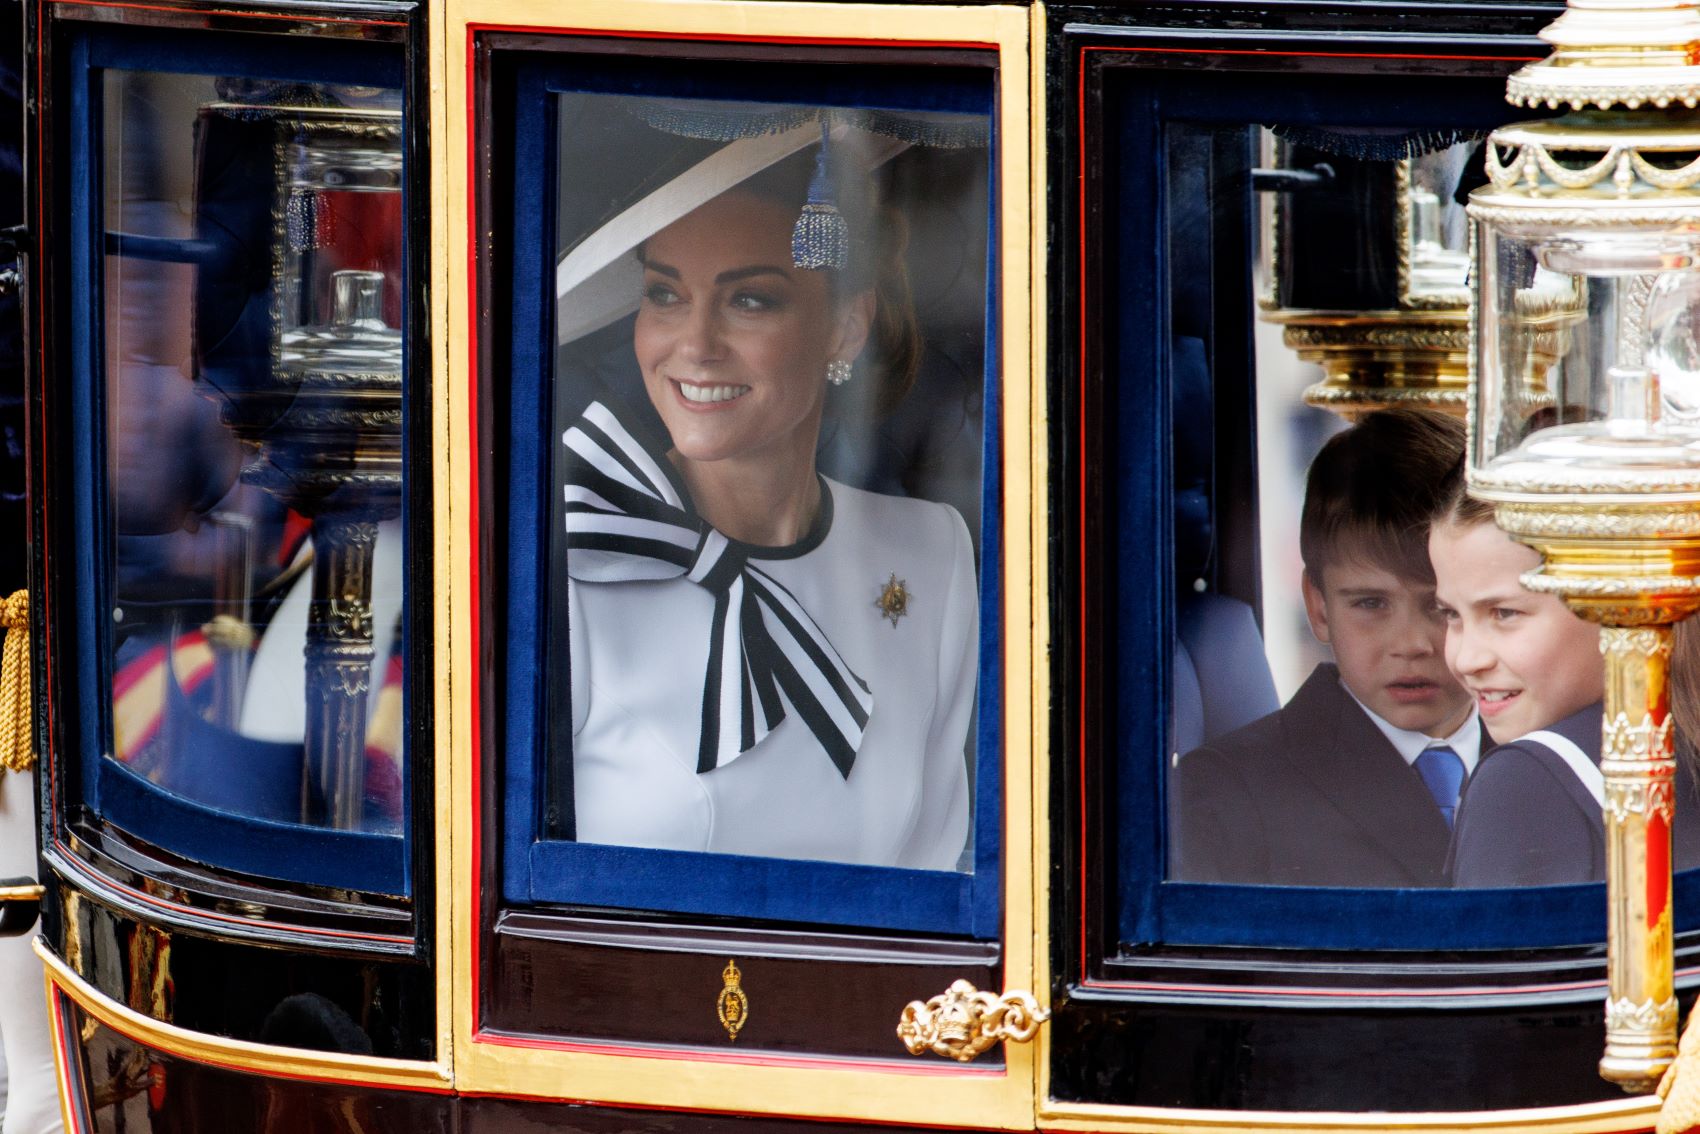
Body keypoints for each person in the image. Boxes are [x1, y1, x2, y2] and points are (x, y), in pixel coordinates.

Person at [560, 140, 977, 871]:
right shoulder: (577, 556)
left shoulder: (930, 556)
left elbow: (934, 876)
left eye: (749, 300)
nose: (695, 345)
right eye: (665, 295)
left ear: (845, 327)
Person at [1173, 409, 1480, 886]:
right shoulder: (1226, 794)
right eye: (1371, 603)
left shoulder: (1555, 764)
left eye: (1440, 606)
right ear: (1317, 607)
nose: (1411, 644)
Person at [1434, 467, 1700, 886]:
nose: (1467, 659)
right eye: (1450, 614)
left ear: (1617, 599)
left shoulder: (1525, 783)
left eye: (1505, 613)